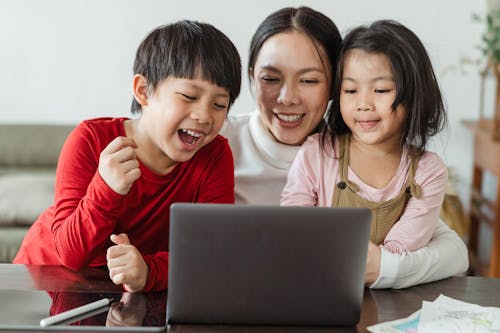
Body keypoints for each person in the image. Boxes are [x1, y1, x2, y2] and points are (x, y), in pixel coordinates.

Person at [221, 7, 467, 288]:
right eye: (270, 78)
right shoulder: (214, 141)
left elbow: (455, 254)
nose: (287, 98)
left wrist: (384, 267)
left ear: (332, 85)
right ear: (252, 76)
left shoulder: (351, 154)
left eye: (309, 80)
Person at [14, 20, 241, 292]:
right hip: (45, 279)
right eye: (189, 96)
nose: (205, 116)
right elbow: (70, 254)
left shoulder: (214, 155)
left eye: (219, 104)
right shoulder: (90, 139)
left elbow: (212, 258)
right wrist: (106, 188)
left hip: (125, 290)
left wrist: (149, 272)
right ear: (143, 91)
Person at [282, 19, 447, 255]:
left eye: (380, 90)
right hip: (318, 280)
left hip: (391, 287)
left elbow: (399, 254)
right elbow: (293, 228)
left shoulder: (428, 172)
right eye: (350, 90)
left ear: (413, 94)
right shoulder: (317, 152)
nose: (363, 104)